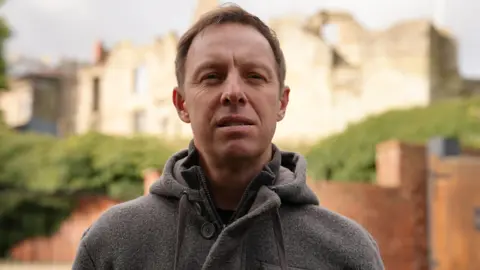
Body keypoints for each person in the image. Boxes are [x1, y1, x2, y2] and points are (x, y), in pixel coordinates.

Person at [72, 4, 384, 270]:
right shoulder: (111, 243)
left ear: (282, 102)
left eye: (255, 76)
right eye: (211, 77)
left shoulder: (347, 251)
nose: (234, 92)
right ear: (181, 104)